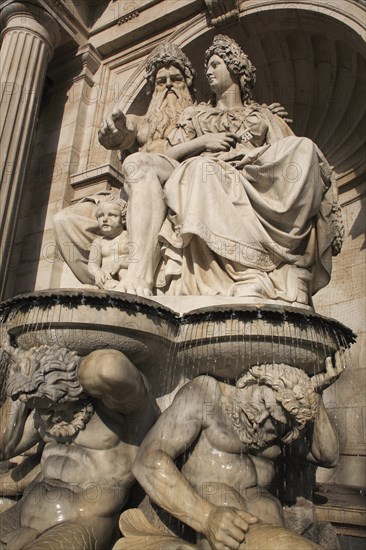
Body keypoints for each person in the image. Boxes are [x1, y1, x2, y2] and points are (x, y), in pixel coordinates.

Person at [156, 34, 342, 304]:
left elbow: (285, 154)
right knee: (200, 169)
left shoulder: (264, 115)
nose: (207, 71)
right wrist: (204, 142)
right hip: (212, 174)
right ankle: (245, 273)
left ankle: (276, 263)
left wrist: (253, 154)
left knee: (304, 147)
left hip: (255, 174)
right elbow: (169, 155)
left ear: (234, 68)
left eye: (215, 64)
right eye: (207, 66)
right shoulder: (195, 115)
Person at [132, 352, 344, 550]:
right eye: (262, 401)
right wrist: (206, 517)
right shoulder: (207, 395)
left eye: (273, 421)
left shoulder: (277, 434)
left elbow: (327, 456)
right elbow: (147, 461)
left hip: (270, 533)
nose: (259, 418)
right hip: (222, 534)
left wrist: (316, 396)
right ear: (253, 380)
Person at [53, 42, 195, 290]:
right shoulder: (146, 121)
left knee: (137, 163)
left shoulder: (198, 113)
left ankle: (140, 275)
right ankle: (104, 283)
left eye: (176, 79)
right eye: (161, 82)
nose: (169, 85)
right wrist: (113, 129)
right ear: (152, 90)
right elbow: (126, 130)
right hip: (130, 193)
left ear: (188, 83)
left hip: (178, 178)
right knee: (64, 220)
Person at [0, 335, 160, 549]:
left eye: (50, 406)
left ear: (71, 392)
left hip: (79, 523)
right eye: (40, 408)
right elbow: (4, 446)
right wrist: (24, 376)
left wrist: (73, 369)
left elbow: (109, 368)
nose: (46, 416)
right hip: (22, 514)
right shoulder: (47, 411)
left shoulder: (122, 415)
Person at [88, 198, 129, 289]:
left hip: (125, 278)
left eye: (112, 215)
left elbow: (139, 258)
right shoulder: (98, 242)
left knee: (123, 273)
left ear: (123, 218)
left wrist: (121, 263)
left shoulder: (129, 237)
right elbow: (92, 264)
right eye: (101, 216)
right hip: (105, 281)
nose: (105, 219)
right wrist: (97, 272)